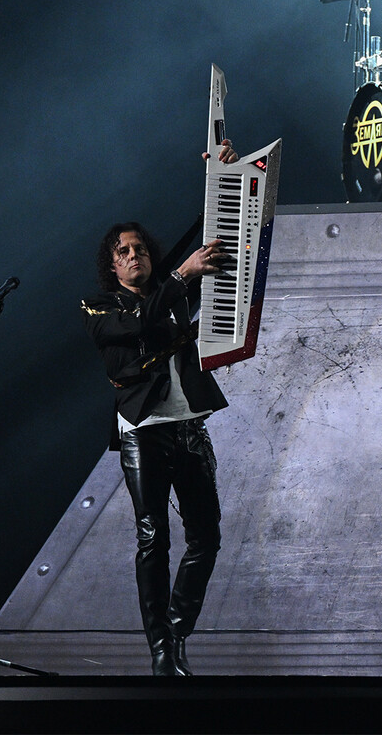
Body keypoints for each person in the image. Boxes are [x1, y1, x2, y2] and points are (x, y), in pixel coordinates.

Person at [81, 142, 239, 677]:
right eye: (123, 251)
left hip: (189, 426)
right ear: (112, 264)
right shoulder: (100, 307)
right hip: (143, 430)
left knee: (207, 537)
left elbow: (203, 238)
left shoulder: (170, 292)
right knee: (154, 538)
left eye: (141, 248)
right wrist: (179, 278)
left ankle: (175, 630)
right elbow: (141, 322)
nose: (135, 255)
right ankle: (161, 653)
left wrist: (220, 179)